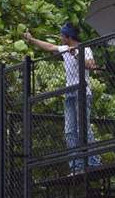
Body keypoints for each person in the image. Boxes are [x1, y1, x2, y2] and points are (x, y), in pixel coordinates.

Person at [23, 23, 101, 172]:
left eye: (62, 35)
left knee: (83, 126)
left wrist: (76, 54)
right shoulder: (65, 48)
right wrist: (32, 40)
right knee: (69, 130)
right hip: (70, 92)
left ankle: (93, 162)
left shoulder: (85, 49)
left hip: (82, 92)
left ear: (68, 37)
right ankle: (76, 166)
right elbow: (49, 47)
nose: (60, 38)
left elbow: (91, 66)